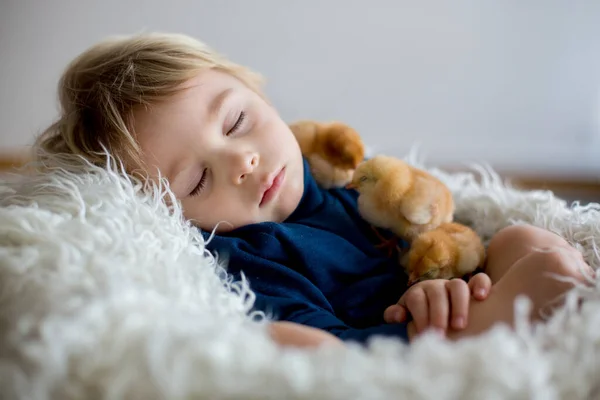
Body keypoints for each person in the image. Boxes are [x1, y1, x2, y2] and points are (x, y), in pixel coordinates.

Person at [35, 32, 592, 349]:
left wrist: (443, 286)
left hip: (446, 293)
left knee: (523, 235)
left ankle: (547, 295)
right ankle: (530, 315)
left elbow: (437, 230)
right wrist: (427, 324)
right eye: (199, 179)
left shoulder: (345, 183)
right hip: (403, 343)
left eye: (234, 122)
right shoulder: (253, 254)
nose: (242, 160)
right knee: (293, 344)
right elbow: (329, 345)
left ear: (262, 97)